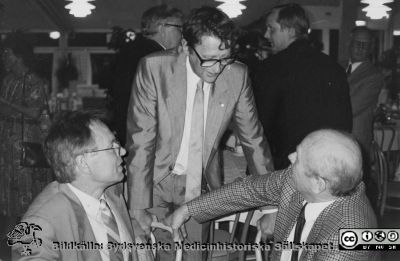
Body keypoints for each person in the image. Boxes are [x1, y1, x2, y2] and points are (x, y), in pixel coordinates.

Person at [126, 6, 274, 261]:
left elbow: (254, 140)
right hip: (155, 181)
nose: (217, 69)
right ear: (185, 45)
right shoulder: (154, 68)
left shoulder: (237, 75)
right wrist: (138, 206)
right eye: (208, 59)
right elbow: (141, 138)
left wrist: (270, 205)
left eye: (225, 57)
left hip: (199, 184)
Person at [167, 129, 378, 261]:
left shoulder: (349, 237)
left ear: (318, 183)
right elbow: (249, 189)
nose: (290, 156)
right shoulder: (299, 182)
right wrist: (187, 210)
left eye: (298, 158)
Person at [11, 110, 153, 261]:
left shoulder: (112, 189)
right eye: (112, 147)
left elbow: (129, 227)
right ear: (83, 163)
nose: (123, 151)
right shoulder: (40, 225)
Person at [254, 3, 352, 170]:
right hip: (330, 164)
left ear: (291, 31)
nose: (266, 34)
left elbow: (261, 127)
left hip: (288, 167)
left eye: (271, 29)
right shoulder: (333, 67)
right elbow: (345, 122)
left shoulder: (271, 68)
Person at [0, 33, 53, 244]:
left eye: (7, 53)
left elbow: (33, 112)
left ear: (19, 56)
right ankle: (9, 237)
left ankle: (30, 239)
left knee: (27, 190)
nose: (4, 58)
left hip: (26, 144)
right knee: (8, 189)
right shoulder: (7, 80)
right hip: (7, 142)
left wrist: (7, 104)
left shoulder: (33, 81)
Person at [108, 5, 183, 145]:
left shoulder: (128, 50)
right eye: (179, 27)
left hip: (128, 133)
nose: (181, 33)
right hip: (149, 139)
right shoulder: (159, 57)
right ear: (162, 27)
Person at [346, 26, 384, 156]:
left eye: (365, 44)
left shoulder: (374, 76)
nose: (361, 47)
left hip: (356, 142)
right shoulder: (337, 67)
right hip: (333, 138)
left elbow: (351, 108)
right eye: (358, 43)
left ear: (371, 48)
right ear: (349, 43)